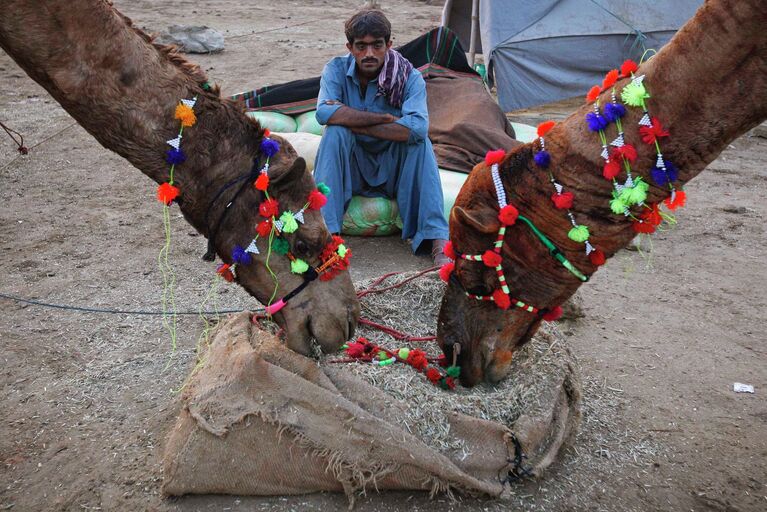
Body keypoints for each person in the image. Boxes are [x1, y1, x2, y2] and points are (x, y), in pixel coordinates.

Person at [313, 9, 450, 266]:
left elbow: (417, 128)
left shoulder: (409, 77)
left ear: (388, 45)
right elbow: (324, 113)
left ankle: (437, 239)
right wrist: (384, 118)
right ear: (350, 47)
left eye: (377, 45)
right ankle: (326, 238)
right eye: (361, 46)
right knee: (335, 133)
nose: (369, 54)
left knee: (421, 144)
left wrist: (354, 120)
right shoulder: (335, 70)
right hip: (351, 167)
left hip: (393, 167)